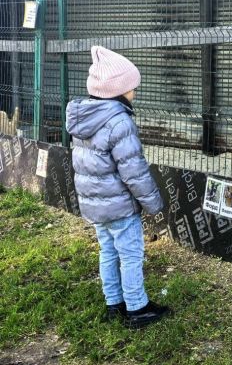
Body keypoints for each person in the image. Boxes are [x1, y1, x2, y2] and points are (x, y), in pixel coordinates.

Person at [66, 46, 170, 329]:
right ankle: (137, 309)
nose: (135, 92)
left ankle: (114, 303)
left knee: (108, 252)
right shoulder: (119, 121)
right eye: (132, 87)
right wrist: (153, 204)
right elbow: (133, 171)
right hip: (121, 207)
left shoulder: (84, 118)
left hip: (96, 205)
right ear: (118, 90)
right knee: (131, 255)